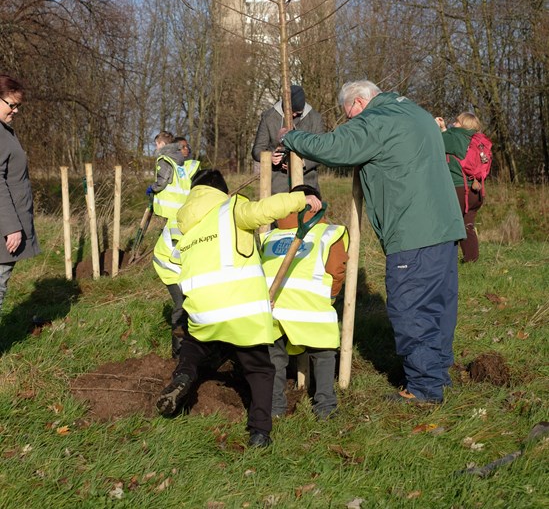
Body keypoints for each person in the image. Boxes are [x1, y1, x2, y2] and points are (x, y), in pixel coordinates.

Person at [280, 79, 465, 406]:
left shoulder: (378, 120)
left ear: (357, 104)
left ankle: (422, 389)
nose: (350, 122)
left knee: (411, 307)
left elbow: (336, 148)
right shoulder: (416, 114)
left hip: (413, 232)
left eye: (348, 116)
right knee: (439, 306)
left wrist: (293, 137)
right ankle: (437, 375)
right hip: (445, 228)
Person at [153, 168, 322, 448]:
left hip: (202, 309)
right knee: (260, 369)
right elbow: (265, 210)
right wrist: (300, 199)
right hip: (241, 311)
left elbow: (172, 263)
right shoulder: (230, 208)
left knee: (195, 347)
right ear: (222, 191)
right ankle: (259, 432)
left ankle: (183, 375)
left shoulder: (185, 222)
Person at [260, 185, 349, 419]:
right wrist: (330, 296)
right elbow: (337, 270)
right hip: (311, 309)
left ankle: (275, 408)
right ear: (317, 204)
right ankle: (325, 407)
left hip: (271, 308)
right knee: (323, 352)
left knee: (275, 356)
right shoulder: (329, 233)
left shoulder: (268, 236)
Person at [150, 131, 200, 358]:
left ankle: (188, 350)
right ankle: (179, 352)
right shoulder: (184, 164)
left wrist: (154, 189)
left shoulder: (164, 159)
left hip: (172, 217)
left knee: (187, 305)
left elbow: (163, 181)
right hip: (171, 258)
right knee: (182, 305)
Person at [0, 75, 40, 315]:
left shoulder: (5, 131)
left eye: (18, 107)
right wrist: (12, 226)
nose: (15, 111)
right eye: (11, 105)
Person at [252, 84, 324, 193]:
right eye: (291, 112)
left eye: (298, 113)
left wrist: (302, 163)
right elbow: (257, 150)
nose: (294, 115)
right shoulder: (269, 117)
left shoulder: (315, 118)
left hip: (307, 184)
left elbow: (321, 151)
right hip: (278, 186)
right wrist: (270, 156)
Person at [435, 112, 486, 263]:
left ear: (463, 124)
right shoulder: (477, 140)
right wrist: (444, 128)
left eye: (457, 121)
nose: (453, 124)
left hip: (459, 190)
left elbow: (437, 142)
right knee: (467, 224)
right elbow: (452, 145)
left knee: (447, 222)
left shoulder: (455, 137)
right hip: (476, 191)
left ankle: (444, 259)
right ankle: (471, 258)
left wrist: (436, 127)